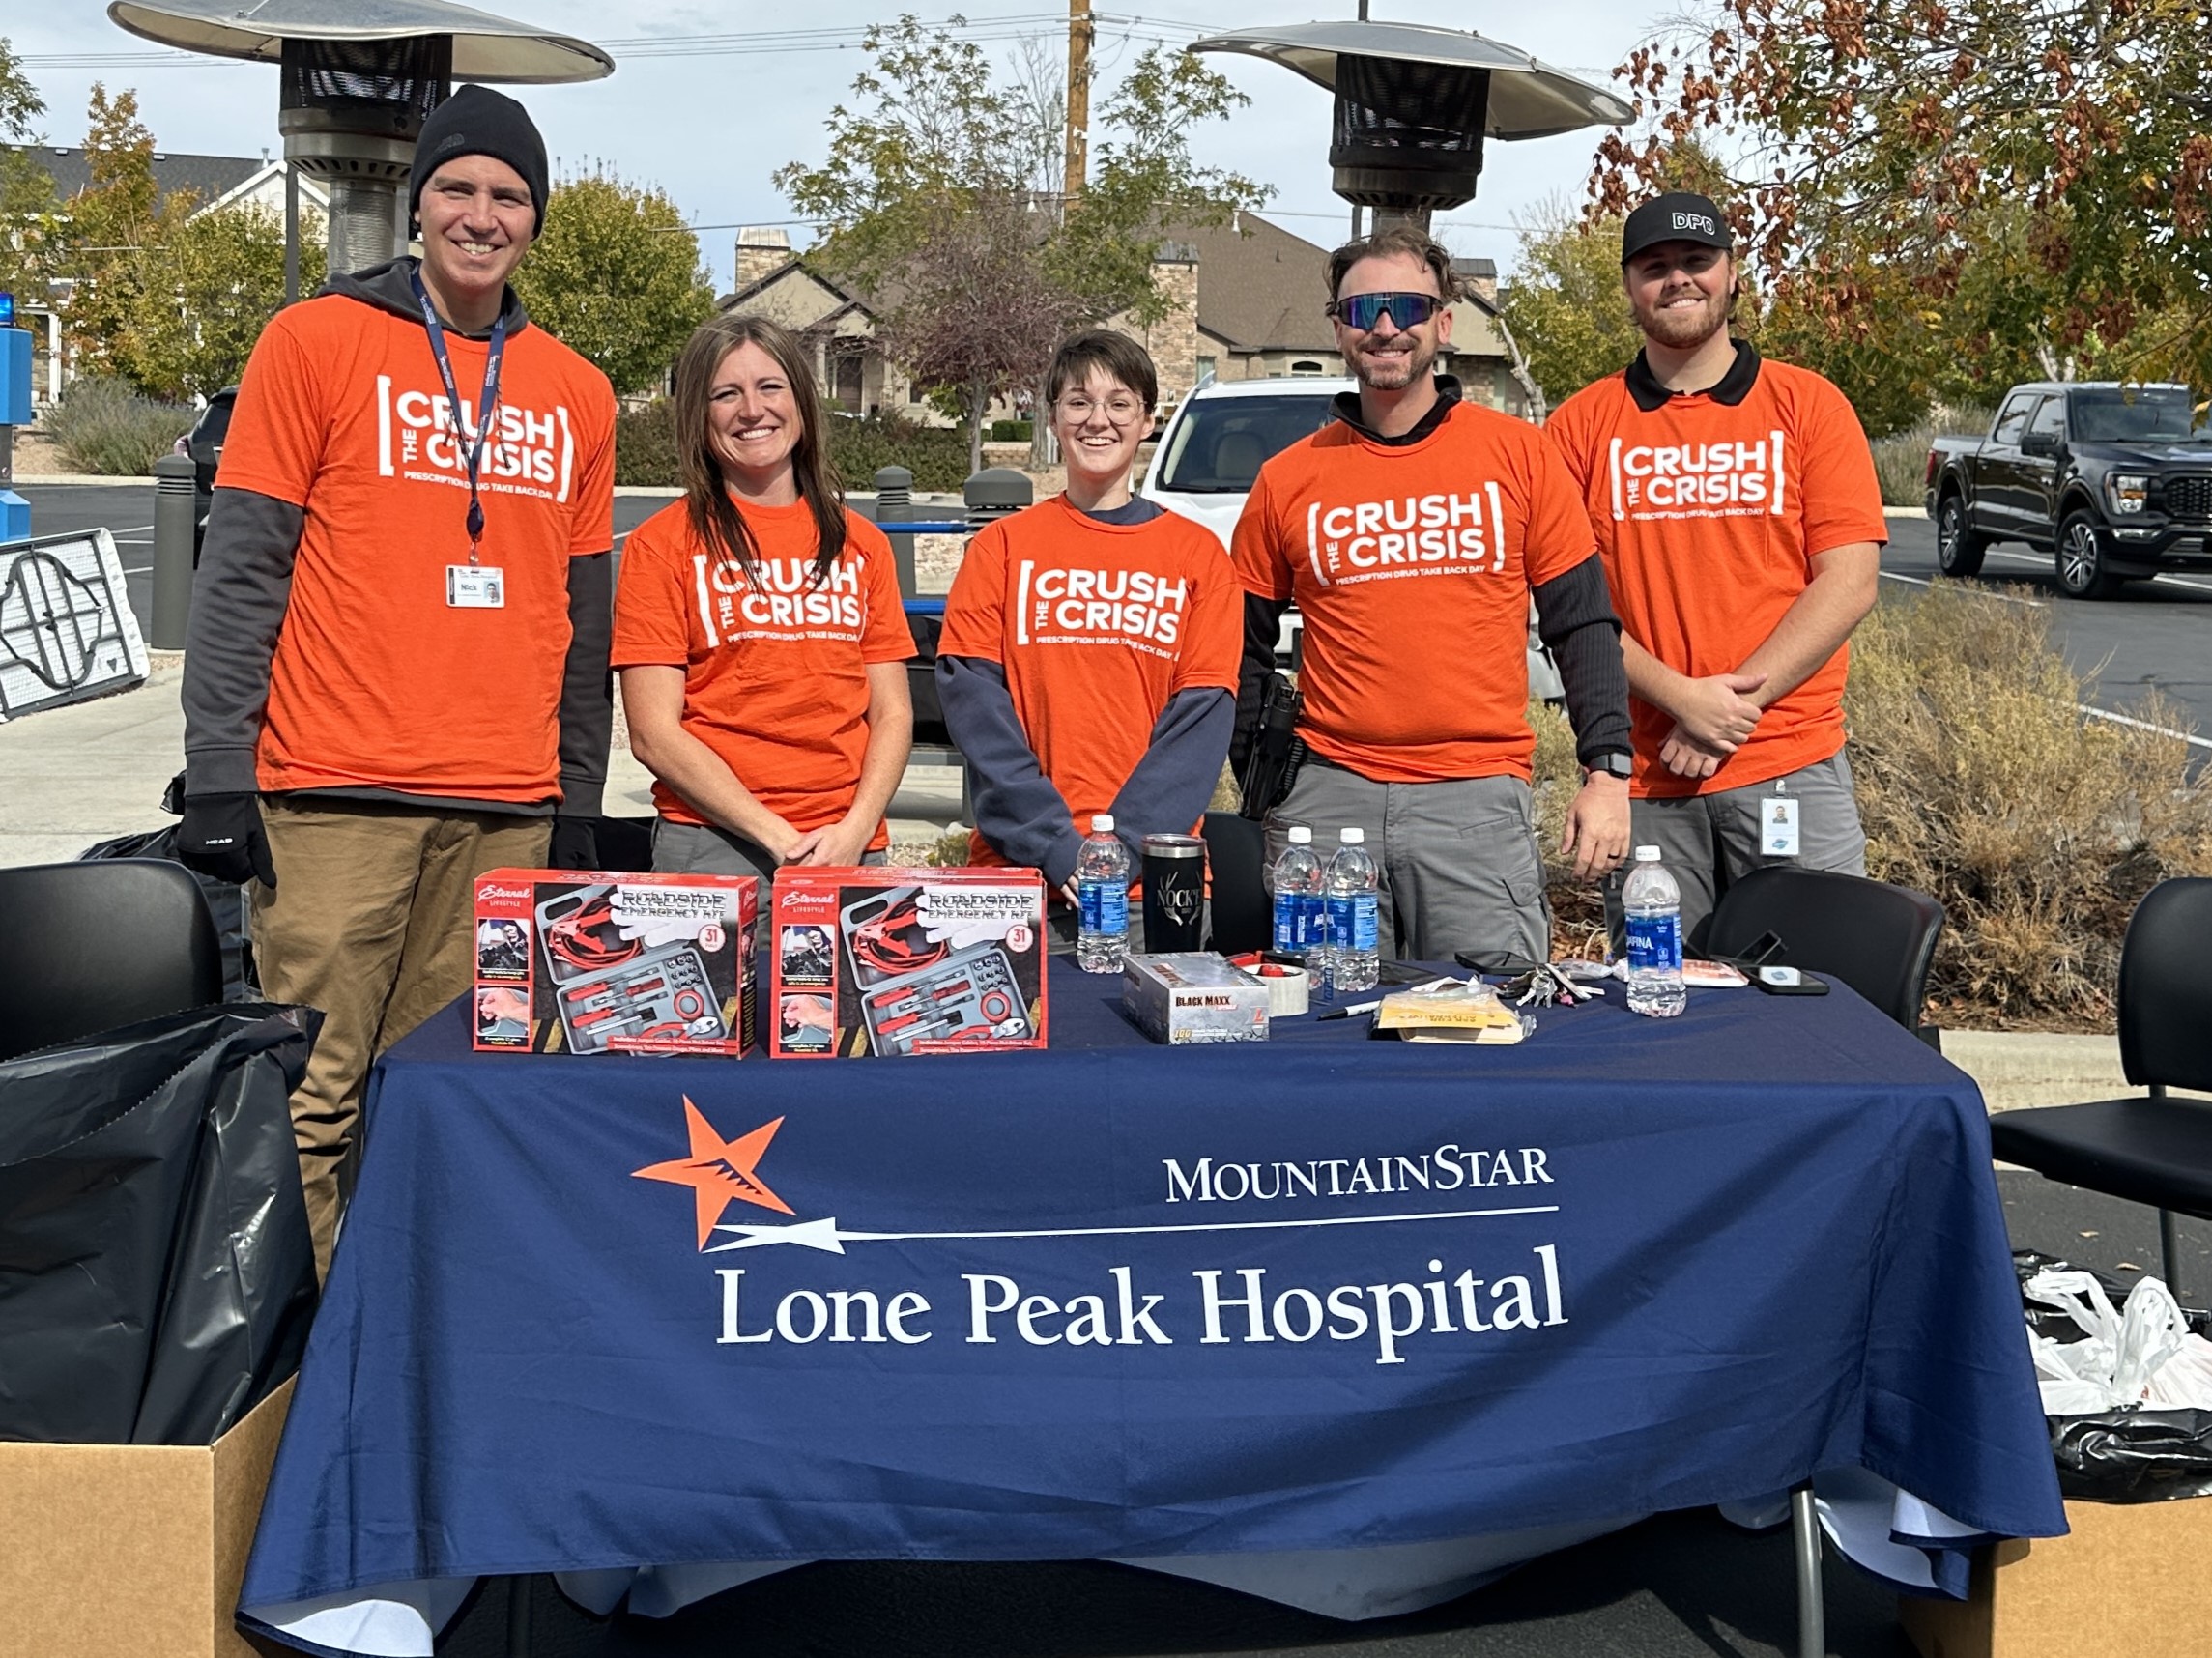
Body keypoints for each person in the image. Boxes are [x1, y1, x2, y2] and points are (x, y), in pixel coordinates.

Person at [176, 85, 617, 1273]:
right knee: (311, 1100)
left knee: (443, 1103)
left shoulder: (576, 390)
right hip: (333, 797)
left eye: (509, 195)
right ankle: (309, 1354)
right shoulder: (313, 341)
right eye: (457, 188)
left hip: (504, 811)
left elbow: (583, 622)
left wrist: (578, 797)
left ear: (535, 218)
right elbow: (242, 570)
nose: (482, 215)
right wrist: (218, 768)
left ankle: (410, 1331)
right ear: (419, 203)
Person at [1229, 226, 1634, 964]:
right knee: (1319, 1014)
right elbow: (1235, 641)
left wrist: (1606, 773)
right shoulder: (1287, 478)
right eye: (1363, 310)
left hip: (1473, 803)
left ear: (1442, 324)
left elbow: (1581, 625)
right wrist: (1259, 771)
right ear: (1337, 329)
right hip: (1328, 798)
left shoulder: (1518, 455)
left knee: (1490, 1018)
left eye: (1407, 307)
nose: (1385, 326)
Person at [1542, 192, 1885, 949]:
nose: (1677, 279)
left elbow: (1848, 581)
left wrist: (1730, 713)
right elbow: (1568, 609)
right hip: (1646, 777)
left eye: (1696, 261)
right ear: (1629, 286)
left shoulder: (1808, 406)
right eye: (1653, 267)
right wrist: (1682, 699)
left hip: (1788, 761)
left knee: (1816, 989)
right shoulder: (1578, 428)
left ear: (1731, 275)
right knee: (1661, 997)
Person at [937, 330, 1241, 951]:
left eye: (1119, 403)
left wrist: (1118, 854)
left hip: (1151, 888)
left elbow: (1201, 722)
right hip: (1018, 886)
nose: (1098, 420)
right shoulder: (1000, 549)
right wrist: (1054, 844)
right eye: (1078, 402)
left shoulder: (1199, 557)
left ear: (1147, 420)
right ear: (1054, 417)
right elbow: (977, 710)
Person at [613, 314, 914, 879]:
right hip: (712, 844)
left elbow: (893, 711)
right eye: (726, 394)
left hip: (849, 844)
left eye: (770, 386)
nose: (752, 410)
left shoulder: (863, 545)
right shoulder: (661, 545)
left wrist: (856, 829)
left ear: (800, 399)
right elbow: (653, 733)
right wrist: (778, 837)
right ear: (699, 415)